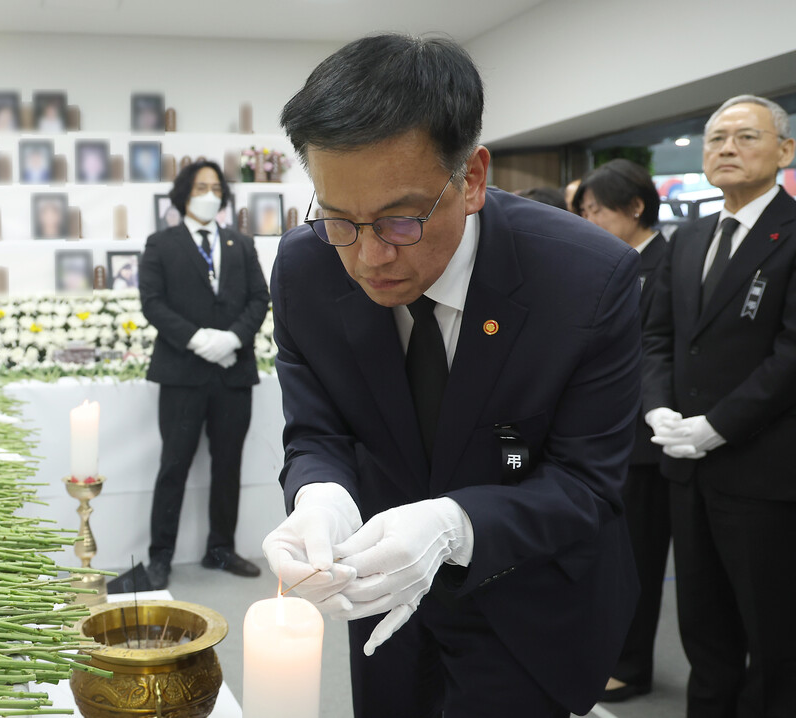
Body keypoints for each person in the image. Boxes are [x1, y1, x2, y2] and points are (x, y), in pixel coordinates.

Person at [261, 34, 641, 718]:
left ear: (470, 180)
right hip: (383, 605)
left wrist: (452, 525)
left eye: (400, 220)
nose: (369, 256)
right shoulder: (306, 268)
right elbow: (316, 427)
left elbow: (589, 483)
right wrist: (319, 496)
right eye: (339, 219)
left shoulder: (585, 279)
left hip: (529, 604)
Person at [642, 94, 796, 718]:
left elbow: (792, 353)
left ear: (784, 151)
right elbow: (658, 338)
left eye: (745, 137)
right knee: (703, 625)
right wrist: (657, 408)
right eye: (715, 139)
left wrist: (717, 427)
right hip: (686, 467)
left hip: (764, 471)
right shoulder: (690, 236)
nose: (726, 149)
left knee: (774, 632)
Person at [139, 160, 270, 590]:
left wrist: (231, 340)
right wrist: (198, 340)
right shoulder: (161, 244)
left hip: (233, 375)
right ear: (183, 194)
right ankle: (160, 557)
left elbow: (259, 297)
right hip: (182, 373)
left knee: (227, 464)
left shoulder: (240, 243)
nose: (210, 193)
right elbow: (153, 303)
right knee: (173, 465)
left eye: (216, 187)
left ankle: (221, 548)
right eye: (201, 186)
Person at [575, 158, 670, 702]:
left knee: (638, 557)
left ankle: (632, 664)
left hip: (646, 436)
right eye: (582, 210)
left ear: (635, 207)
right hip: (606, 433)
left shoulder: (664, 260)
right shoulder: (607, 262)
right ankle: (612, 652)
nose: (587, 220)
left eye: (596, 210)